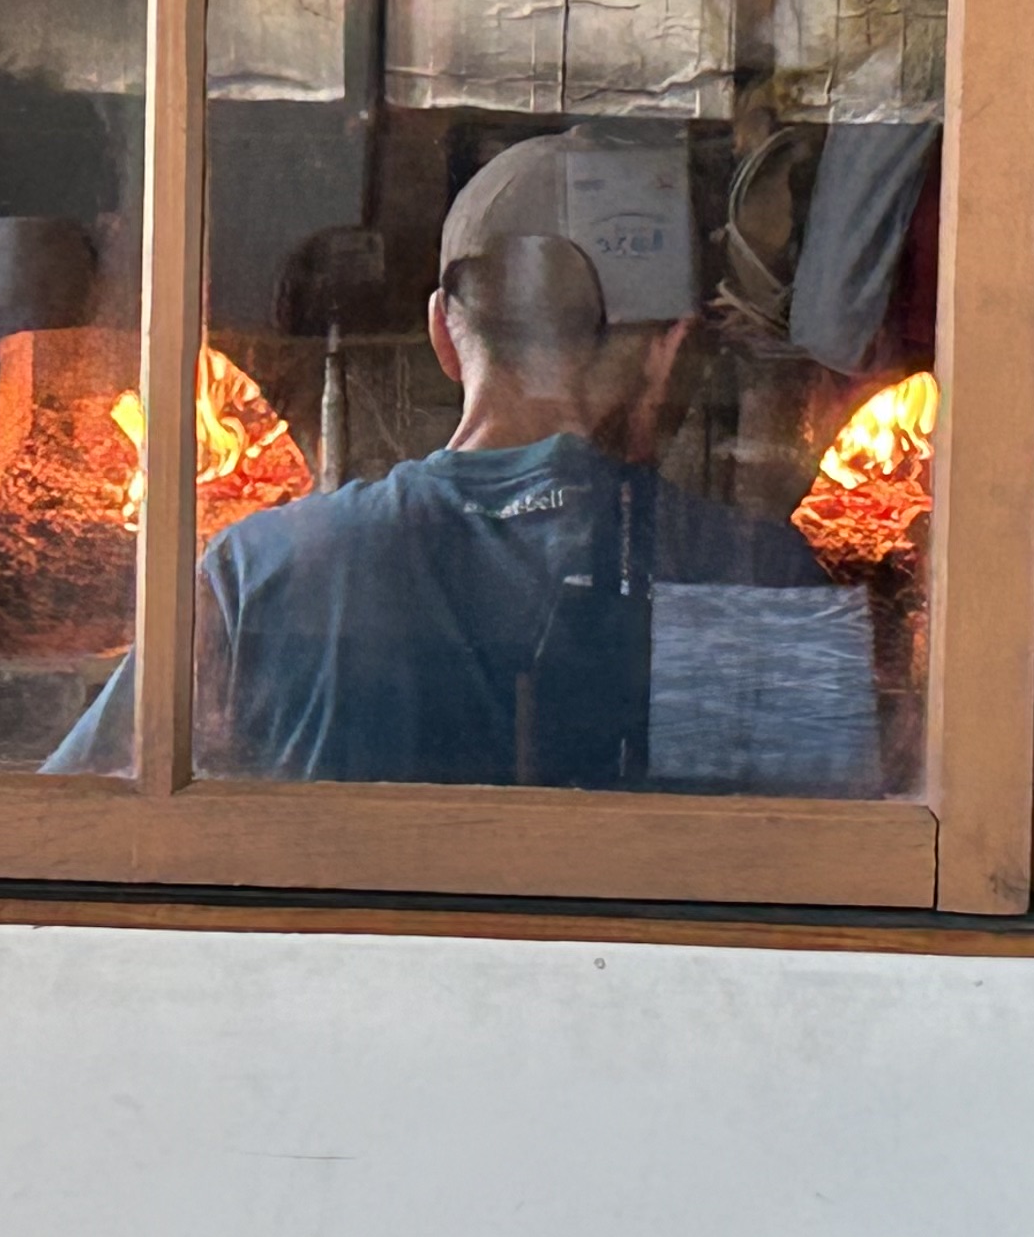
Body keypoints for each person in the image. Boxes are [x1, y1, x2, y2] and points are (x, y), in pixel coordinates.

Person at [43, 130, 839, 788]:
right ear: (670, 352)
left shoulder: (256, 574)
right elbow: (824, 879)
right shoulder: (760, 581)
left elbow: (69, 831)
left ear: (443, 335)